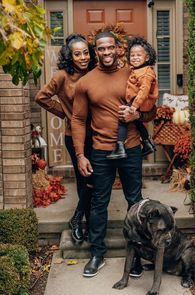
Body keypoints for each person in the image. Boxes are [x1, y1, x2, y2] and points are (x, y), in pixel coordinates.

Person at [71, 31, 157, 277]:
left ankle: (137, 257)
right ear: (95, 51)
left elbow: (152, 109)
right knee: (99, 202)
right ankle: (97, 254)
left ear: (118, 48)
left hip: (130, 149)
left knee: (135, 202)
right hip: (100, 151)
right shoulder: (86, 82)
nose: (106, 53)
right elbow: (78, 119)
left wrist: (137, 116)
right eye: (101, 49)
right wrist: (80, 155)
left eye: (110, 48)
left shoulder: (134, 73)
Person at [35, 33, 96, 244]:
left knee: (96, 180)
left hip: (98, 135)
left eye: (85, 53)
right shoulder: (62, 76)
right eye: (77, 54)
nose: (82, 58)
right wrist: (64, 113)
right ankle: (84, 222)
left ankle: (79, 219)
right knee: (84, 180)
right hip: (75, 135)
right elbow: (41, 97)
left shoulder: (95, 72)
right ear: (70, 57)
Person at [107, 36, 158, 160]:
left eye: (138, 56)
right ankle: (147, 143)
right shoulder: (138, 69)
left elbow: (144, 91)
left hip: (141, 102)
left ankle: (120, 147)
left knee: (123, 118)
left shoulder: (146, 72)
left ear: (147, 58)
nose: (134, 58)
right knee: (136, 122)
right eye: (132, 55)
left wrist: (134, 106)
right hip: (140, 102)